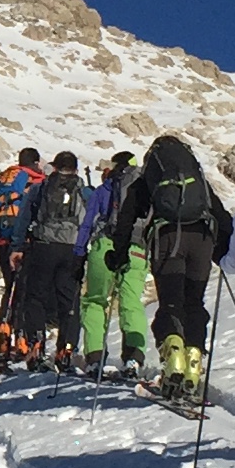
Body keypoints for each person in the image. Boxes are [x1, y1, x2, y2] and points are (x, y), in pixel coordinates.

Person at [131, 134, 230, 405]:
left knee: (171, 302)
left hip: (168, 241)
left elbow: (130, 211)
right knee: (194, 303)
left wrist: (119, 251)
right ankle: (193, 361)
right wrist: (223, 251)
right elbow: (219, 213)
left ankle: (173, 358)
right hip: (201, 241)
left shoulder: (152, 176)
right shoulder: (196, 176)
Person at [11, 149, 90, 371]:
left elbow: (24, 217)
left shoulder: (41, 187)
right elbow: (92, 219)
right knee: (69, 300)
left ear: (54, 167)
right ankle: (67, 349)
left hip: (43, 247)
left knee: (36, 297)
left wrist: (17, 246)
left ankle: (36, 344)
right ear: (75, 169)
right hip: (72, 250)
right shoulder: (84, 190)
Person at [76, 148, 143, 378]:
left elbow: (87, 222)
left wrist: (78, 253)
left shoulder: (105, 189)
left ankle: (95, 358)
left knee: (95, 301)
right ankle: (134, 357)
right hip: (136, 249)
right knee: (131, 302)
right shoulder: (144, 188)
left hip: (105, 246)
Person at [0, 148, 43, 372]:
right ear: (35, 163)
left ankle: (4, 332)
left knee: (10, 287)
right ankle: (23, 340)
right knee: (26, 290)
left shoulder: (3, 183)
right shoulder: (36, 181)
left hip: (2, 243)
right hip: (25, 243)